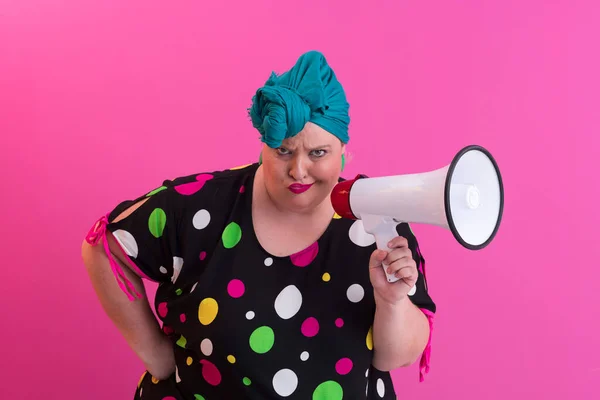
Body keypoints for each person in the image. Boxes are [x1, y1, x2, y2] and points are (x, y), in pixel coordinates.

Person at [81, 50, 436, 400]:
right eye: (283, 151)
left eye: (318, 153)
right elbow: (105, 244)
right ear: (263, 146)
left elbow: (396, 357)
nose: (299, 171)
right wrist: (157, 356)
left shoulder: (377, 221)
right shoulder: (197, 207)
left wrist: (392, 301)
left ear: (344, 151)